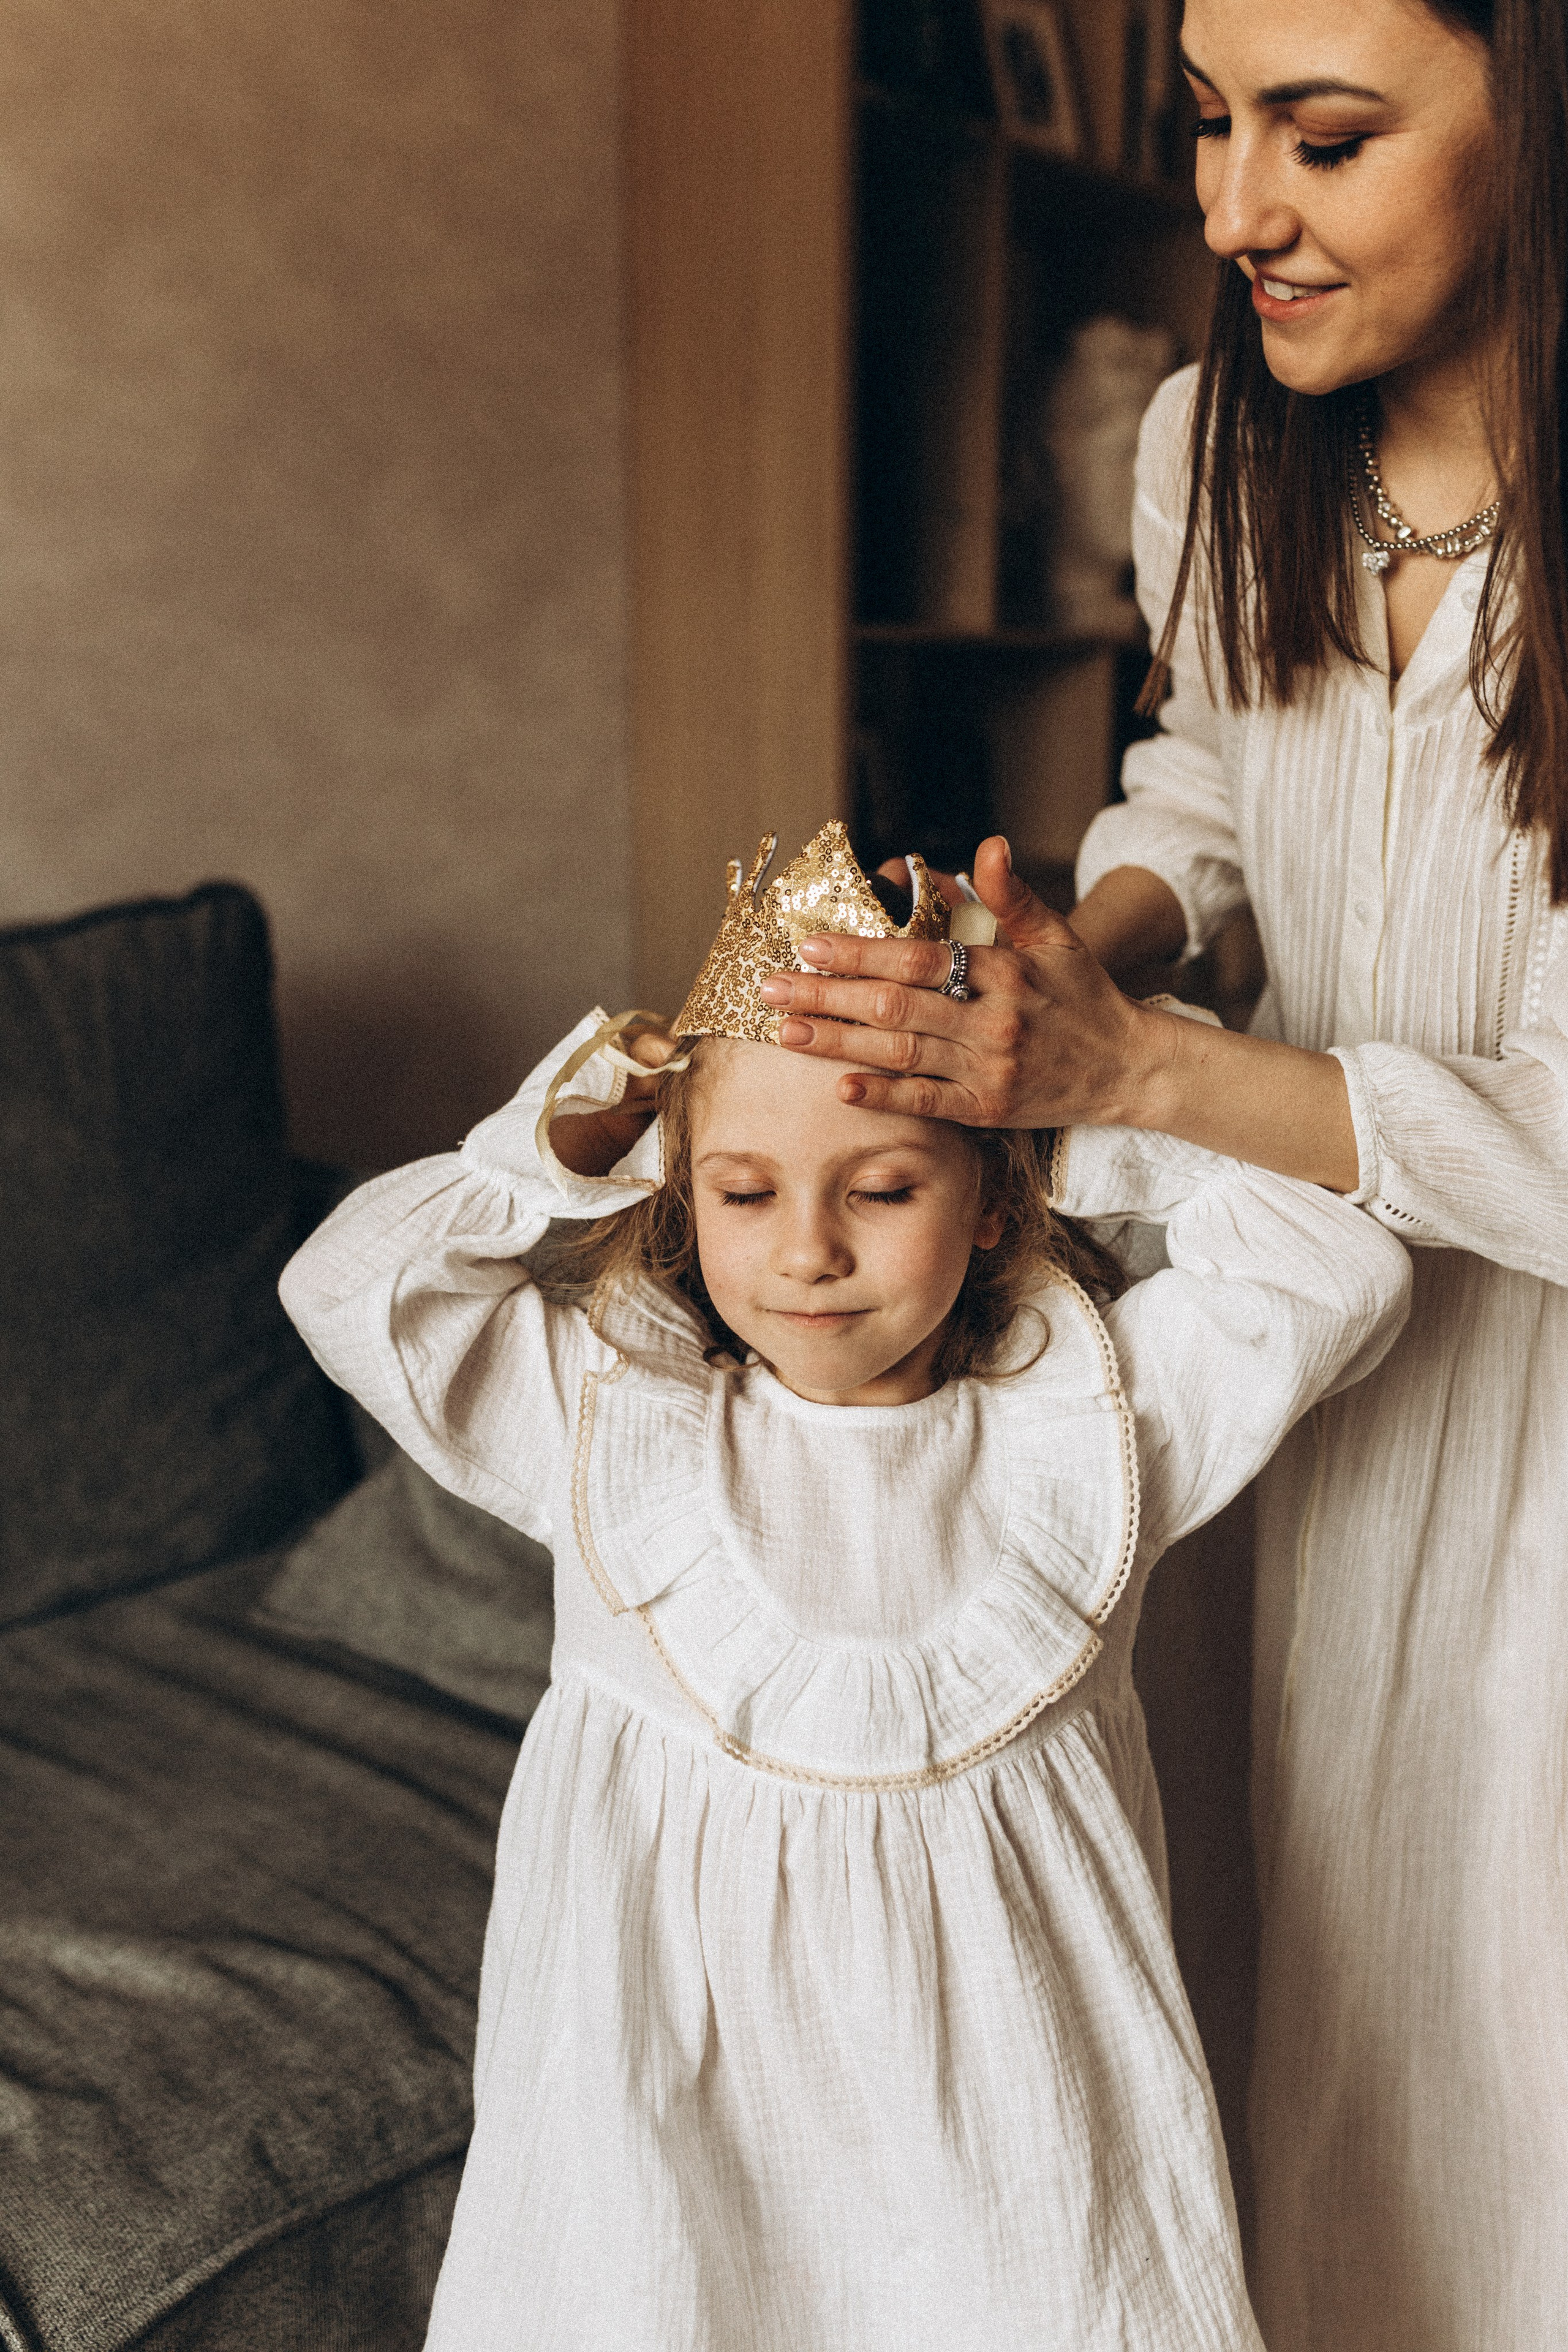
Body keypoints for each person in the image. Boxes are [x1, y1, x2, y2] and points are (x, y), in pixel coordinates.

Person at [754, 5, 1568, 2348]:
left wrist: (1148, 1068)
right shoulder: (1220, 441)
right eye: (1209, 123)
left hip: (1528, 1446)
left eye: (1323, 136)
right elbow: (1204, 782)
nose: (1231, 214)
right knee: (1259, 2018)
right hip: (1269, 1396)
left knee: (1496, 2086)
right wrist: (1066, 951)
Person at [280, 823, 1409, 2352]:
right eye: (743, 1195)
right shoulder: (611, 1428)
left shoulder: (1100, 1425)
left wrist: (1078, 1109)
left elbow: (1333, 1266)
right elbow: (348, 1288)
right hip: (668, 2148)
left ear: (995, 1206)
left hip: (1017, 2155)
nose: (804, 1252)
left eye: (879, 1190)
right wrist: (571, 1129)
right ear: (689, 1204)